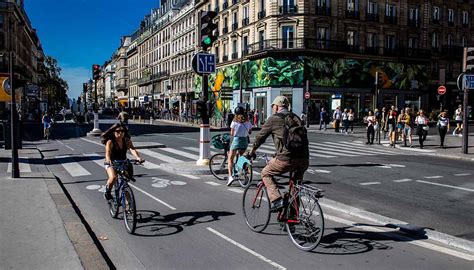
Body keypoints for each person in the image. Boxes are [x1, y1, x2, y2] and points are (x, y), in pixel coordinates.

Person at [249, 96, 309, 212]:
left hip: (286, 159)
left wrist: (252, 151)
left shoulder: (273, 119)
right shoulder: (296, 117)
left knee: (265, 173)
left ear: (276, 107)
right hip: (304, 158)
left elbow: (259, 138)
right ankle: (291, 218)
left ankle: (276, 200)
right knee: (295, 188)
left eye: (273, 107)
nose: (272, 109)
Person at [101, 123, 144, 200]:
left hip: (123, 162)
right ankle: (107, 192)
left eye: (122, 131)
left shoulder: (126, 140)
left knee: (125, 183)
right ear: (114, 132)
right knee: (113, 177)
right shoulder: (110, 142)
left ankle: (128, 207)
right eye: (118, 131)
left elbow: (132, 149)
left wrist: (138, 157)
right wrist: (108, 160)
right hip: (112, 162)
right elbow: (107, 153)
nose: (120, 133)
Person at [227, 106, 253, 186]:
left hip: (237, 141)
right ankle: (245, 171)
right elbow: (250, 132)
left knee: (230, 159)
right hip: (244, 141)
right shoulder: (248, 122)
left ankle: (230, 177)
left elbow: (232, 133)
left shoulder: (234, 122)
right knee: (242, 157)